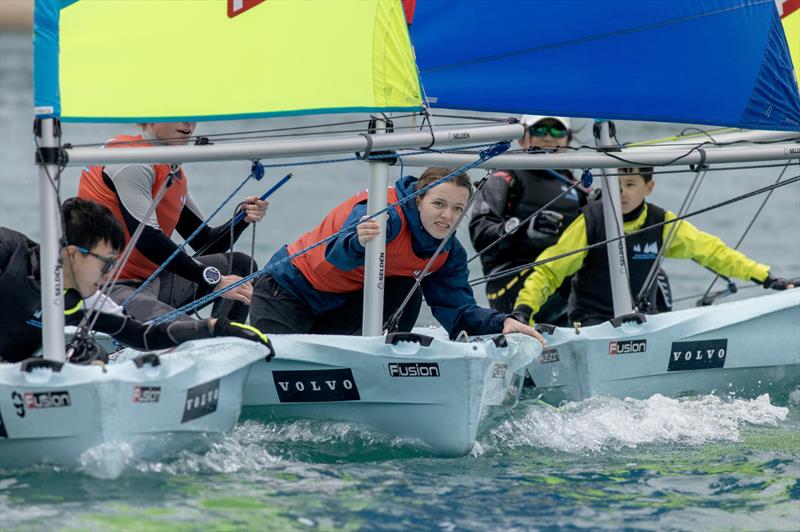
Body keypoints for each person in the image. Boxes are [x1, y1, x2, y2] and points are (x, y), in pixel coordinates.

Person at [249, 167, 545, 344]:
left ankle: (381, 367)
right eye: (439, 204)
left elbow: (458, 312)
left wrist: (501, 322)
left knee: (407, 289)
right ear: (418, 201)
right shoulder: (385, 215)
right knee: (275, 363)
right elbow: (336, 256)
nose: (447, 216)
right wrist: (359, 241)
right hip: (287, 293)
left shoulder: (446, 253)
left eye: (458, 209)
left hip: (338, 307)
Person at [512, 167, 797, 326]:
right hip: (591, 324)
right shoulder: (591, 222)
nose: (620, 192)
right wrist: (524, 311)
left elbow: (713, 251)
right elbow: (549, 270)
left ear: (649, 187)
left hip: (643, 321)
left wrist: (766, 277)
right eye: (614, 184)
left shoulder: (662, 222)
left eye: (630, 184)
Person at [0, 198, 272, 364]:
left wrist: (218, 328)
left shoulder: (89, 301)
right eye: (105, 263)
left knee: (93, 356)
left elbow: (143, 336)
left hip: (12, 377)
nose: (109, 275)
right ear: (72, 254)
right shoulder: (9, 252)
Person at [78, 122, 268, 323]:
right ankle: (210, 334)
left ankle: (225, 342)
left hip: (152, 281)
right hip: (109, 287)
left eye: (192, 116)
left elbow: (204, 241)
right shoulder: (131, 161)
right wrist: (214, 279)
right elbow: (148, 240)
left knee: (240, 266)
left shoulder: (171, 169)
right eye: (178, 115)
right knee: (189, 331)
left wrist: (242, 218)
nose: (187, 124)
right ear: (151, 119)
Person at [469, 115, 589, 323]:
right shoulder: (504, 177)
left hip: (559, 280)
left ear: (568, 140)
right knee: (575, 280)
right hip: (508, 283)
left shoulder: (579, 190)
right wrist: (523, 230)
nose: (549, 138)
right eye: (540, 130)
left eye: (557, 131)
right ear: (522, 138)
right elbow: (480, 236)